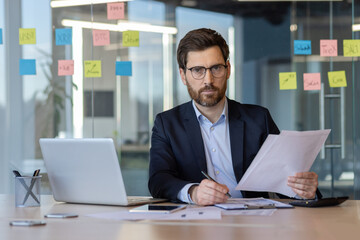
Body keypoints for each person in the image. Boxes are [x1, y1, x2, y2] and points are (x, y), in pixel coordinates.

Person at [148, 28, 319, 206]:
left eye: (216, 68)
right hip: (195, 223)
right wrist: (194, 192)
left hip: (254, 222)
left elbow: (287, 179)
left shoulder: (258, 119)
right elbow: (158, 180)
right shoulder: (167, 124)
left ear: (228, 69)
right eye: (198, 70)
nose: (208, 80)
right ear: (183, 75)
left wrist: (304, 190)